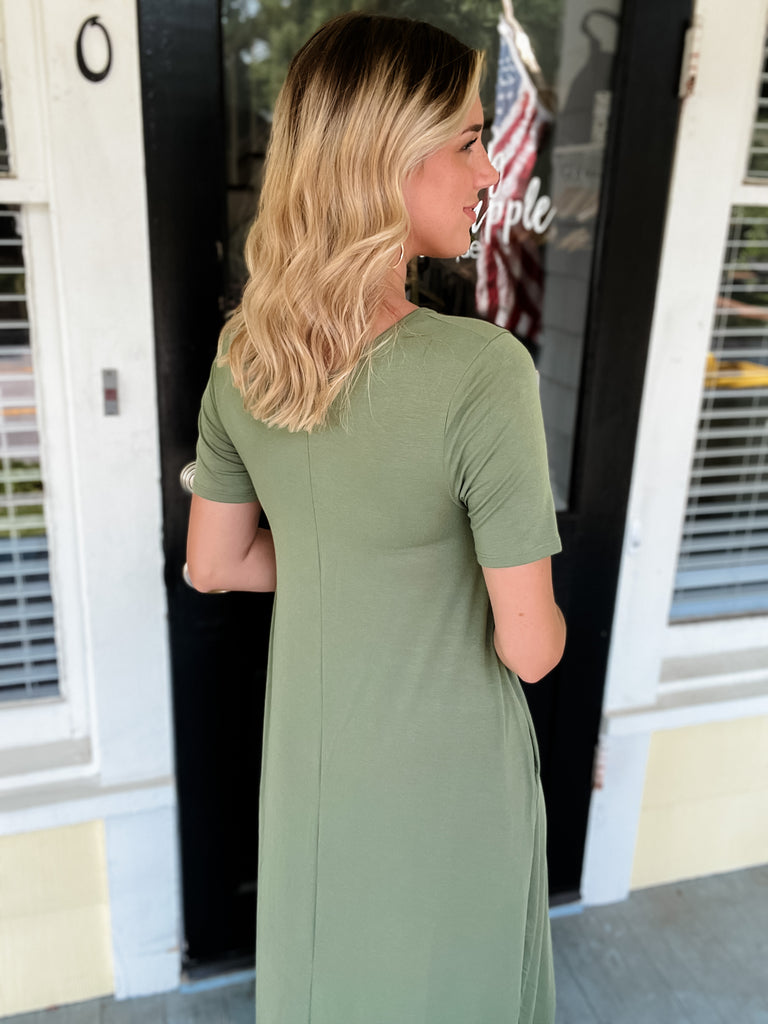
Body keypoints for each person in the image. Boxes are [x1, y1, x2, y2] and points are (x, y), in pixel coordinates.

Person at [187, 12, 566, 1024]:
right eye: (470, 141)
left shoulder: (244, 357)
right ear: (389, 160)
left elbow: (214, 563)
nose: (491, 169)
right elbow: (530, 650)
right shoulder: (481, 372)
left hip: (314, 764)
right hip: (446, 777)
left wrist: (341, 558)